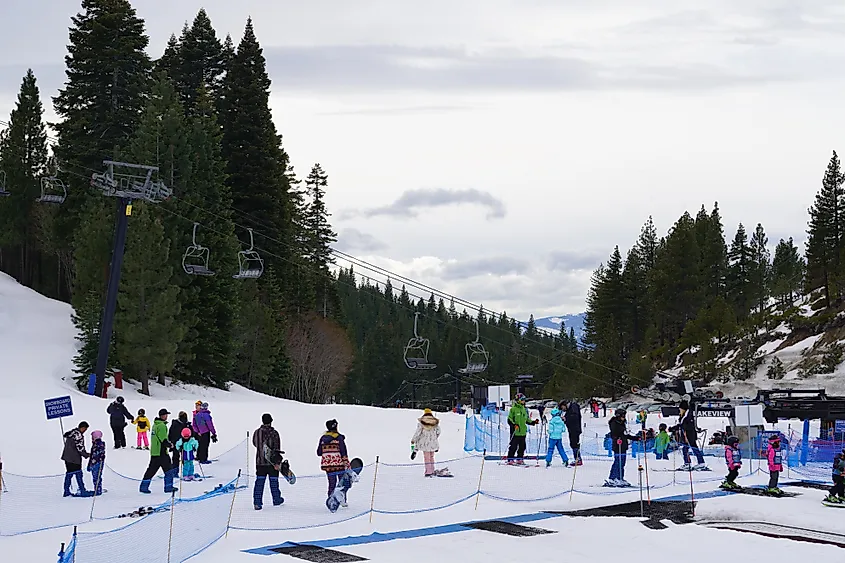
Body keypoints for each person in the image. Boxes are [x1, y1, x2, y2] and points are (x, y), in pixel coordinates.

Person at [139, 409, 179, 494]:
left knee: (151, 470)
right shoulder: (161, 426)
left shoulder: (155, 424)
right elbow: (163, 439)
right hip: (162, 452)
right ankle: (168, 487)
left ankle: (143, 486)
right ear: (163, 416)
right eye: (166, 415)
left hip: (155, 451)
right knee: (168, 470)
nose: (167, 416)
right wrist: (170, 445)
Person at [253, 413, 284, 510]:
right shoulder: (274, 433)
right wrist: (277, 462)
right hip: (272, 462)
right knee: (274, 482)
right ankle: (276, 499)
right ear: (271, 421)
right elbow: (277, 448)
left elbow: (255, 443)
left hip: (260, 461)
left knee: (259, 482)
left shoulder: (257, 432)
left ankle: (257, 502)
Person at [606, 408, 640, 487]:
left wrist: (635, 438)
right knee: (618, 462)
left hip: (623, 445)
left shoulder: (622, 423)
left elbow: (625, 435)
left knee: (622, 463)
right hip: (618, 446)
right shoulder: (614, 423)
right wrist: (618, 438)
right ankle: (613, 478)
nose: (624, 417)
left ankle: (620, 478)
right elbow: (614, 434)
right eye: (622, 416)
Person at [669, 400, 707, 471]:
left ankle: (688, 463)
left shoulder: (688, 416)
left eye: (680, 409)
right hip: (687, 435)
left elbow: (688, 426)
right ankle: (699, 462)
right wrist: (673, 428)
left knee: (687, 449)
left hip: (689, 436)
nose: (679, 410)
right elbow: (681, 425)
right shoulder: (684, 416)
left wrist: (682, 427)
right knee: (692, 449)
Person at [317, 419, 349, 499]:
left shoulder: (323, 438)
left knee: (332, 483)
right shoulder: (339, 438)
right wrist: (346, 461)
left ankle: (330, 499)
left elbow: (319, 452)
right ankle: (342, 499)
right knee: (342, 482)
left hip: (328, 465)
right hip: (339, 464)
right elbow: (343, 450)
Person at [62, 421, 93, 497]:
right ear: (82, 428)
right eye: (85, 429)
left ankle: (66, 490)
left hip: (67, 457)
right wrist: (87, 455)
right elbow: (80, 448)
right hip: (74, 459)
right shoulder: (78, 435)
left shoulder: (72, 433)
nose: (85, 431)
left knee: (69, 474)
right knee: (78, 474)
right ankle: (82, 490)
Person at [507, 393, 539, 465]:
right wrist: (514, 425)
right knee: (513, 446)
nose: (523, 401)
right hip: (515, 432)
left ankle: (520, 458)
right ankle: (510, 459)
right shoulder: (513, 409)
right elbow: (509, 419)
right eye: (522, 400)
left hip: (522, 432)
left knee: (522, 447)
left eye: (524, 400)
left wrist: (533, 422)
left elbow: (526, 419)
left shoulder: (524, 409)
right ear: (518, 400)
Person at [411, 408, 441, 477]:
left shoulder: (421, 423)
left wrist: (413, 440)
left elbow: (418, 433)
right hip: (433, 443)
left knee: (426, 457)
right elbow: (438, 432)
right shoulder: (435, 423)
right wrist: (434, 438)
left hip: (424, 443)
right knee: (431, 457)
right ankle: (432, 470)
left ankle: (428, 472)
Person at [87, 430, 106, 495]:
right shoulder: (95, 444)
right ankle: (97, 488)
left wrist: (101, 457)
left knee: (97, 477)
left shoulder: (99, 444)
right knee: (96, 477)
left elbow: (97, 455)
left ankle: (98, 490)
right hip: (94, 463)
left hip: (97, 464)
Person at [563, 400, 583, 465]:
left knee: (574, 444)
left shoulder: (573, 407)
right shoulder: (569, 410)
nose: (563, 409)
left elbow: (575, 417)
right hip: (572, 429)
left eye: (562, 407)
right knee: (573, 444)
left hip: (575, 429)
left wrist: (566, 419)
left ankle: (578, 459)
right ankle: (577, 458)